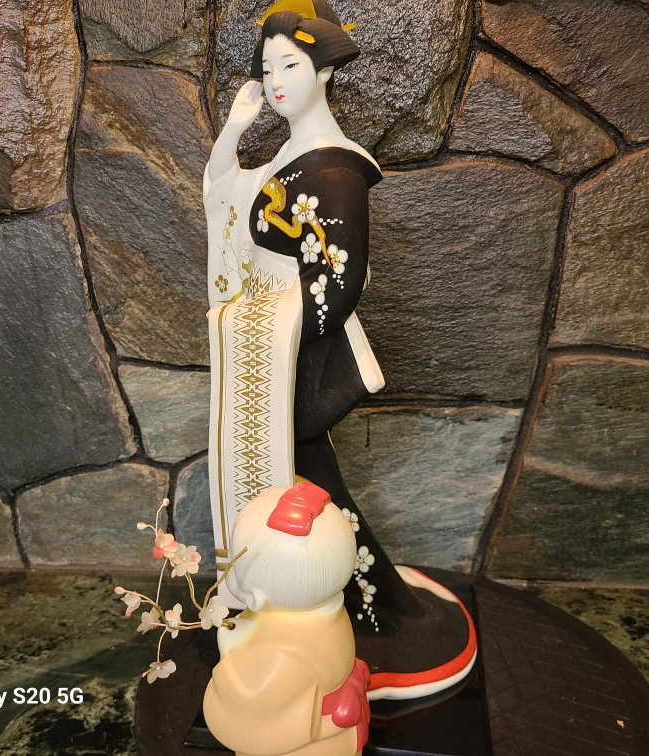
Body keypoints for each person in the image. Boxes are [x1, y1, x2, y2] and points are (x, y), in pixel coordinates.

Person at [204, 0, 476, 701]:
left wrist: (267, 322)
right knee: (307, 484)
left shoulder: (333, 171)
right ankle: (352, 596)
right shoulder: (289, 158)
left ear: (324, 69)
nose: (275, 82)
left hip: (297, 354)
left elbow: (338, 284)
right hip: (277, 350)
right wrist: (233, 131)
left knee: (310, 483)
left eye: (290, 65)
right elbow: (226, 197)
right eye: (267, 69)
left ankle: (370, 605)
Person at [204, 482, 370, 756]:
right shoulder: (326, 608)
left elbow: (251, 698)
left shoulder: (283, 655)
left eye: (233, 561)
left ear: (256, 596)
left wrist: (230, 649)